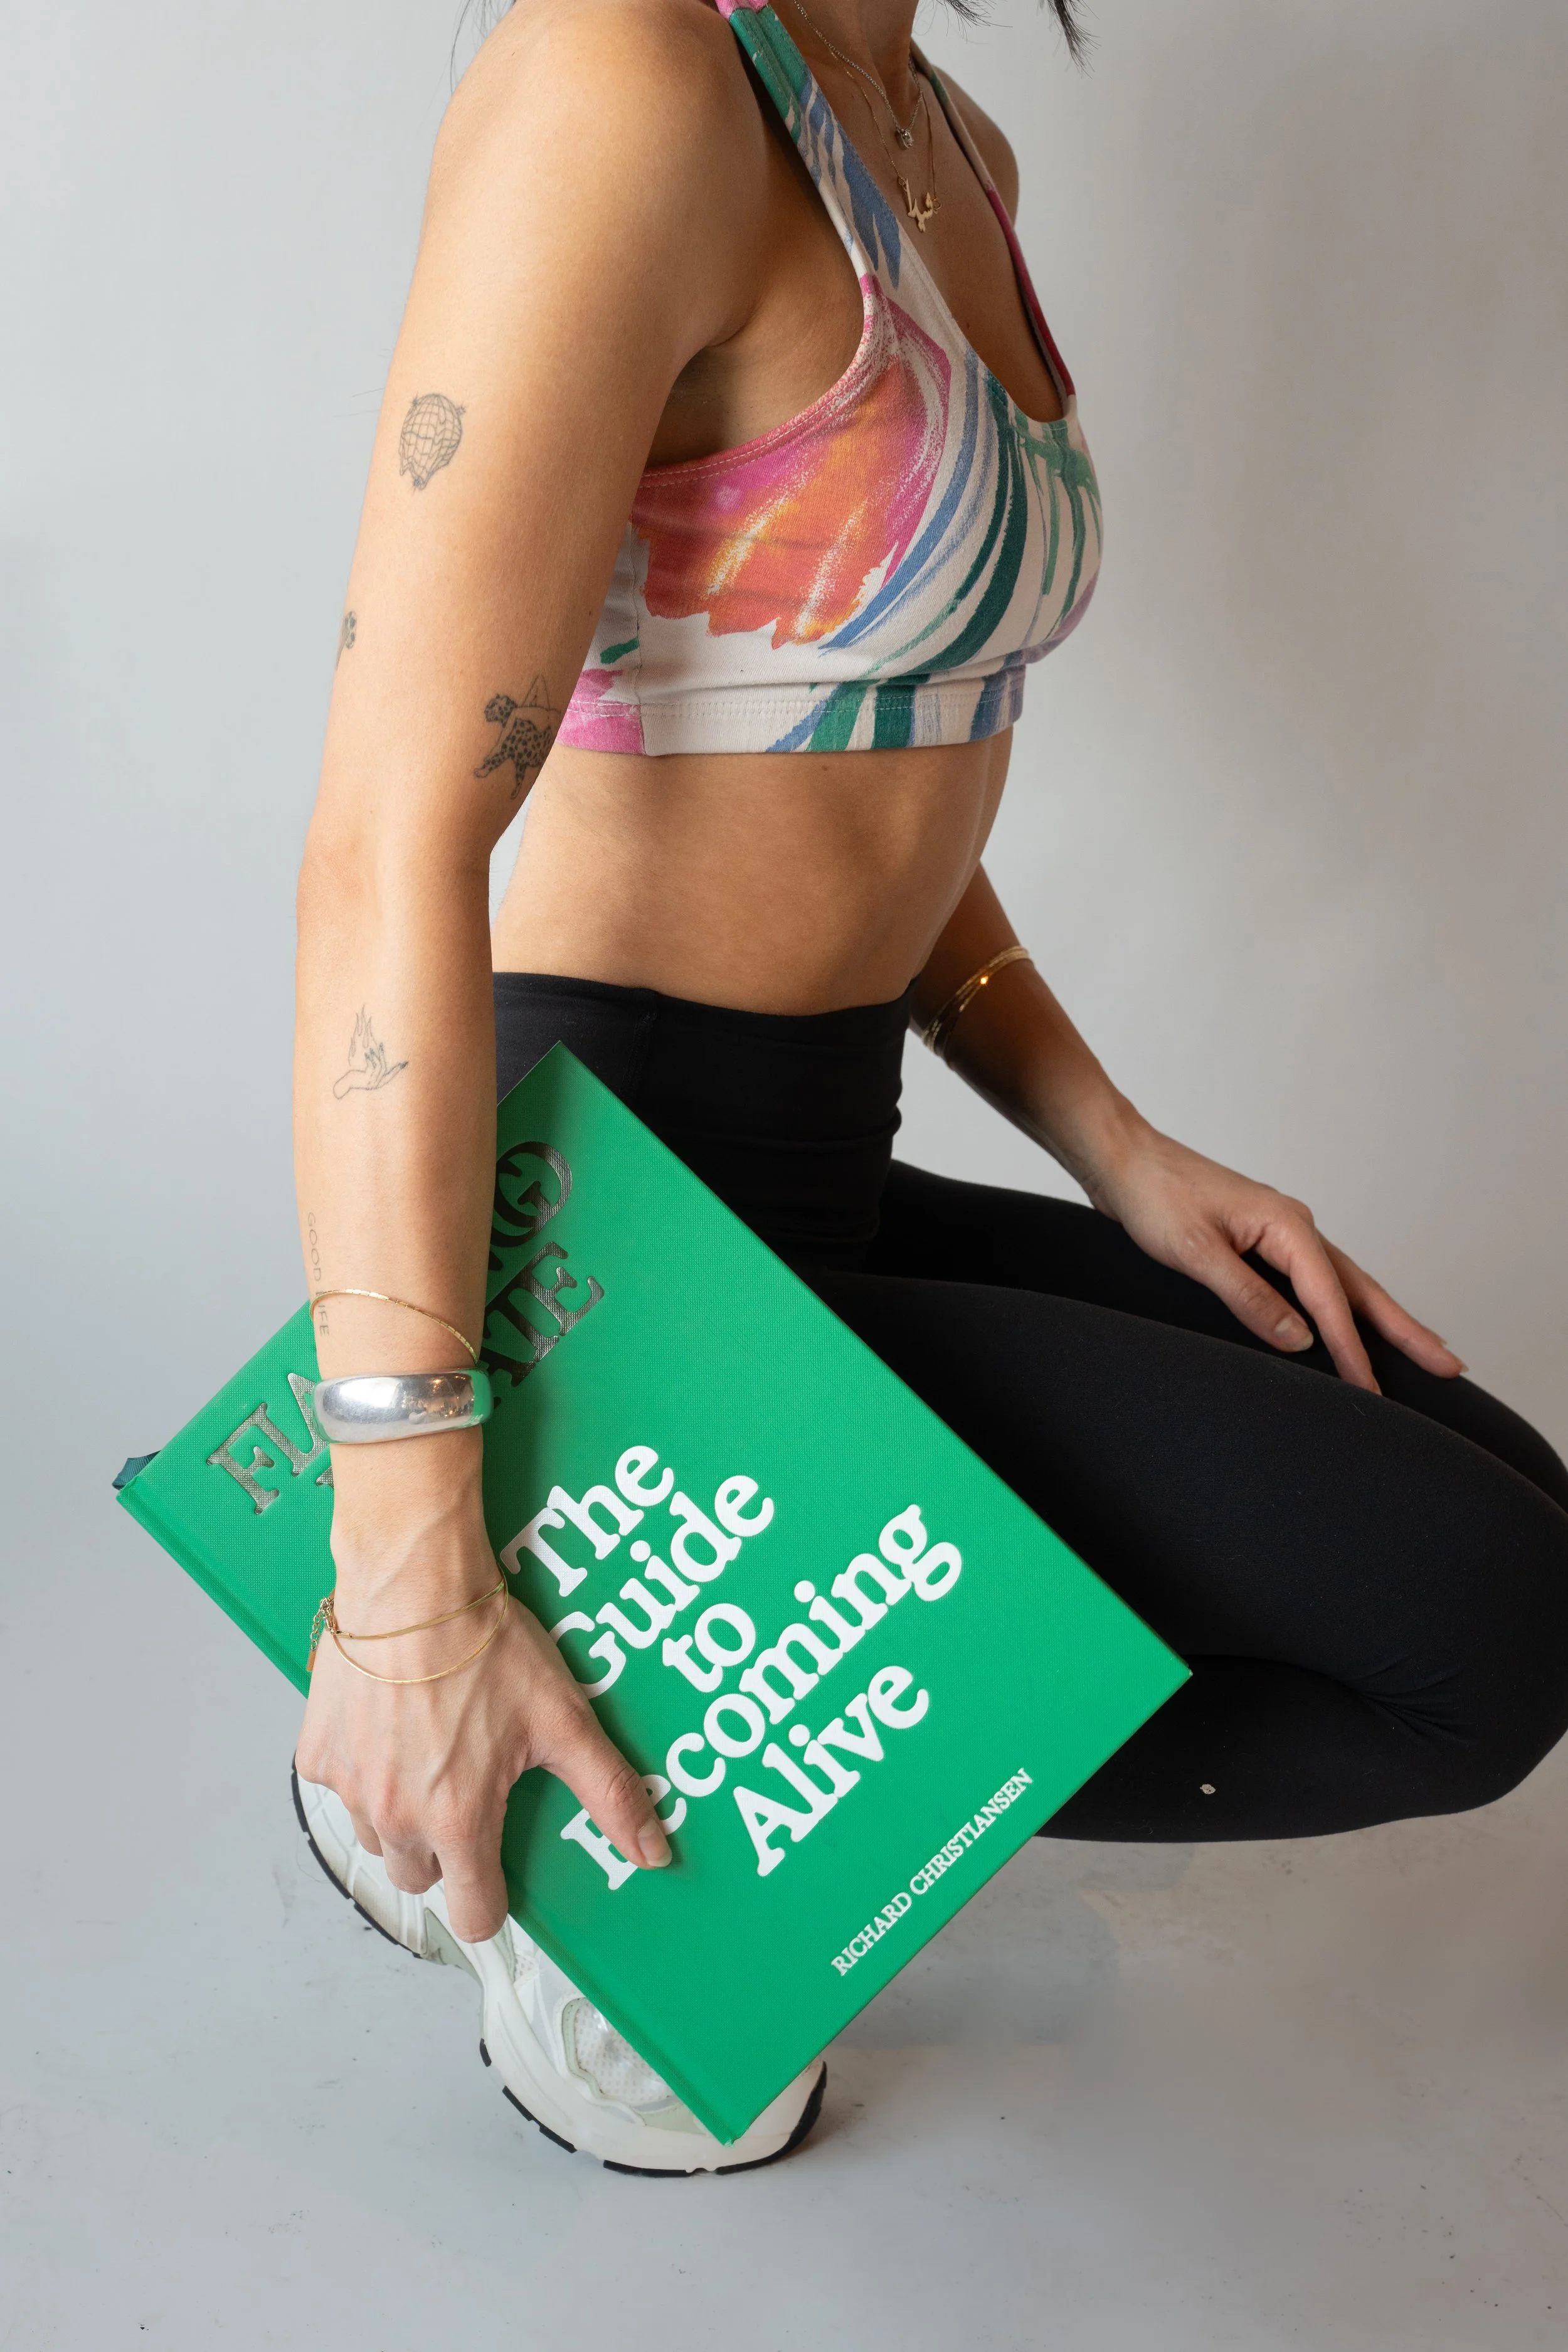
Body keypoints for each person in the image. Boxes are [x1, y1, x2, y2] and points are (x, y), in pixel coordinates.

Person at [289, 0, 1568, 2173]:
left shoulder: (946, 142)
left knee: (1491, 1500)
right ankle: (503, 1744)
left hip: (824, 1154)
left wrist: (1114, 1144)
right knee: (1482, 1627)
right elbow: (384, 836)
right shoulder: (627, 75)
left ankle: (706, 1725)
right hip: (615, 1225)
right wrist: (403, 1548)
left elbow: (876, 766)